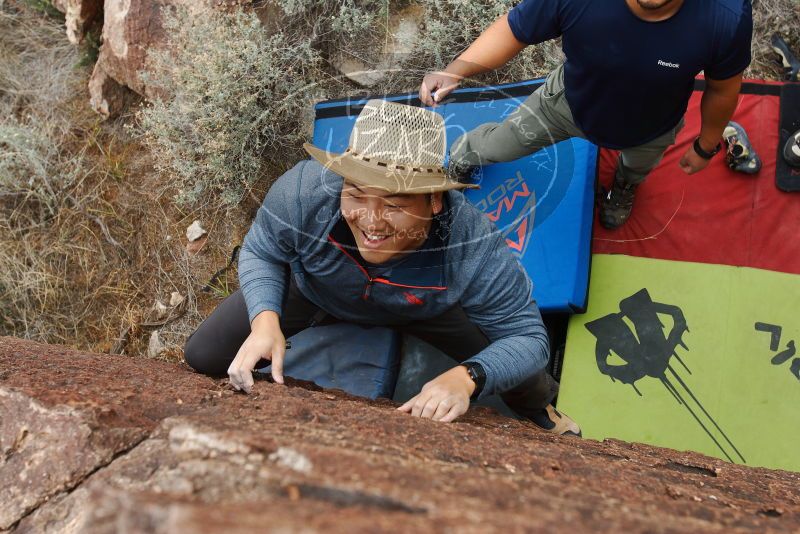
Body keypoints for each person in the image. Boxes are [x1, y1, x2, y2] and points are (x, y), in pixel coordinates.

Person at [184, 99, 580, 435]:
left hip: (428, 309)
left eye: (394, 204)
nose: (372, 221)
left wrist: (467, 377)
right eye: (356, 194)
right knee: (203, 354)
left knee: (524, 376)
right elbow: (262, 250)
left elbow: (528, 338)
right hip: (319, 291)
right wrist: (265, 320)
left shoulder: (472, 245)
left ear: (435, 202)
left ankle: (541, 413)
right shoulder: (302, 193)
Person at [420, 0, 753, 229]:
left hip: (651, 128)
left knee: (636, 169)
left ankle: (623, 187)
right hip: (565, 105)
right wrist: (456, 71)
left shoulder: (725, 16)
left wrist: (706, 146)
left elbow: (722, 88)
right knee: (498, 146)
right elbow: (514, 29)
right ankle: (463, 155)